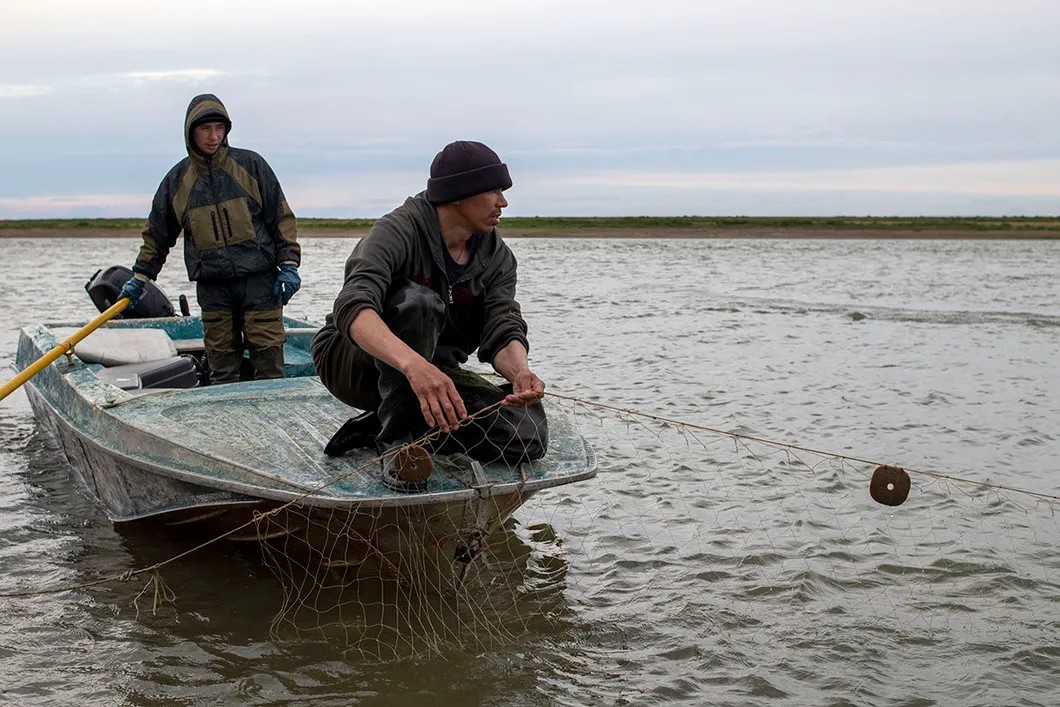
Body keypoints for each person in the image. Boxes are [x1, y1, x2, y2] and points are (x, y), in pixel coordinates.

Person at [312, 140, 548, 492]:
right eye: (494, 191)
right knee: (418, 303)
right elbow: (354, 308)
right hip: (353, 364)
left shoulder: (497, 256)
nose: (503, 202)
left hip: (432, 372)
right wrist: (414, 366)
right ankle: (397, 440)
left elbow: (502, 325)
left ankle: (382, 425)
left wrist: (520, 372)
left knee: (527, 434)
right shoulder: (397, 231)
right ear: (458, 194)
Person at [119, 93, 301, 384]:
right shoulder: (177, 181)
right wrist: (141, 276)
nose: (213, 136)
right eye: (206, 129)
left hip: (260, 282)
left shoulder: (251, 165)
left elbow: (280, 217)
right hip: (213, 287)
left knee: (269, 363)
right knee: (222, 365)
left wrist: (289, 263)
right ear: (191, 132)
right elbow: (157, 234)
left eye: (219, 128)